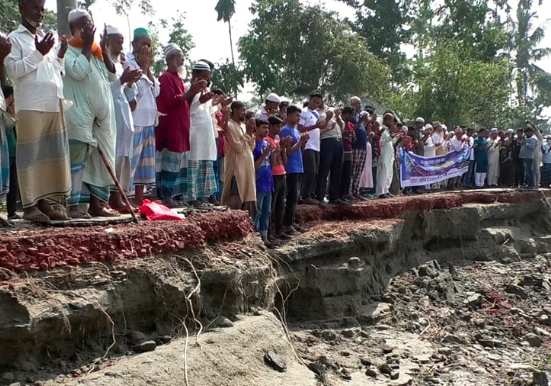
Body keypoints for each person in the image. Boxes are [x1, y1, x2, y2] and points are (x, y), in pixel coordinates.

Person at [4, 1, 72, 223]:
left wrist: (59, 54)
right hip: (31, 105)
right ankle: (30, 206)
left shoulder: (45, 38)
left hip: (53, 104)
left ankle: (44, 202)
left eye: (42, 9)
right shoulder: (15, 38)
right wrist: (39, 53)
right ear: (23, 8)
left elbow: (55, 71)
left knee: (48, 156)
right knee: (30, 156)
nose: (39, 13)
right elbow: (13, 70)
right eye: (35, 8)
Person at [64, 10, 120, 219]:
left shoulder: (96, 51)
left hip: (102, 120)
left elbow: (112, 75)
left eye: (90, 24)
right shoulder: (68, 50)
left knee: (101, 161)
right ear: (73, 28)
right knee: (80, 160)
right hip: (78, 115)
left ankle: (98, 204)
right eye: (82, 24)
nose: (88, 28)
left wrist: (102, 49)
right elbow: (78, 71)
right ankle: (76, 206)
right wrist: (87, 45)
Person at [155, 43, 205, 207]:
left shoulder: (178, 78)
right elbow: (171, 101)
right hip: (171, 129)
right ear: (171, 58)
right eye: (180, 55)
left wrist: (194, 93)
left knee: (176, 164)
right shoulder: (165, 78)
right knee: (168, 163)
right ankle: (166, 197)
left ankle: (172, 197)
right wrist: (190, 92)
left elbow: (185, 102)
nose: (183, 59)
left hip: (181, 127)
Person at [105, 25, 141, 213]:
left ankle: (122, 195)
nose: (120, 46)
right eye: (117, 42)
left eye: (122, 42)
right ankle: (113, 197)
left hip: (124, 114)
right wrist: (122, 80)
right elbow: (105, 91)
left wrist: (130, 81)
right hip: (111, 115)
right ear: (108, 42)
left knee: (125, 156)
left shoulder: (120, 64)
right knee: (115, 156)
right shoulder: (103, 62)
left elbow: (129, 96)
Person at [125, 28, 159, 207]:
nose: (146, 47)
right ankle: (126, 198)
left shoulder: (147, 65)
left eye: (149, 44)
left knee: (144, 166)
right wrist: (143, 67)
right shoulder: (128, 61)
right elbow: (135, 89)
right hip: (134, 118)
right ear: (134, 44)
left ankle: (139, 199)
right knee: (132, 162)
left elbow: (156, 91)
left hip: (148, 120)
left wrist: (147, 68)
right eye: (143, 43)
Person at [185, 61, 219, 207]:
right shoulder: (188, 87)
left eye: (208, 77)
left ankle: (203, 197)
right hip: (195, 132)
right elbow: (189, 110)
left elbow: (208, 111)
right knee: (194, 163)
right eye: (204, 76)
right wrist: (199, 100)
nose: (206, 80)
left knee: (205, 165)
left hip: (206, 134)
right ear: (196, 74)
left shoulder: (205, 89)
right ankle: (192, 197)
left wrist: (208, 100)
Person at [221, 101, 256, 214]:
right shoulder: (230, 126)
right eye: (242, 110)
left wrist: (250, 132)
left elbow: (250, 147)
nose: (244, 113)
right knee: (235, 198)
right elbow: (239, 148)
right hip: (237, 170)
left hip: (246, 170)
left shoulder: (242, 126)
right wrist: (248, 133)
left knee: (245, 199)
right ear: (235, 111)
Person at [280, 105, 309, 235]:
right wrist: (300, 142)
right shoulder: (286, 131)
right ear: (289, 115)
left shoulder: (296, 131)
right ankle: (287, 224)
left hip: (298, 166)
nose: (298, 118)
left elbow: (299, 150)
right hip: (291, 167)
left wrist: (303, 143)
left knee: (295, 196)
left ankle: (291, 222)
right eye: (296, 115)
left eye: (299, 116)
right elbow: (288, 151)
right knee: (291, 196)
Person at [265, 115, 290, 242]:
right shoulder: (267, 140)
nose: (279, 128)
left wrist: (284, 148)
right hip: (273, 175)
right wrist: (276, 151)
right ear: (271, 126)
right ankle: (268, 233)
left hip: (282, 173)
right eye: (277, 126)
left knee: (281, 204)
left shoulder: (277, 139)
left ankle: (279, 231)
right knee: (272, 205)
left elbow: (284, 161)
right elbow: (271, 162)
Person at [299, 91, 325, 203]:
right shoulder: (303, 112)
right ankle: (305, 195)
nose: (316, 104)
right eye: (314, 101)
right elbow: (300, 128)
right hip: (307, 144)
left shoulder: (316, 114)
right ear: (309, 100)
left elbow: (317, 129)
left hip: (316, 145)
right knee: (310, 170)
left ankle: (310, 193)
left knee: (315, 171)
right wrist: (315, 126)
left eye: (318, 103)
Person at [253, 119, 275, 247]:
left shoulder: (267, 143)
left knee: (267, 211)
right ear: (256, 129)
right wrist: (265, 154)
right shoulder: (253, 144)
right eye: (263, 127)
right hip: (258, 181)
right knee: (258, 210)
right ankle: (256, 238)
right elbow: (253, 166)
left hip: (268, 181)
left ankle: (264, 236)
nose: (266, 130)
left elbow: (270, 163)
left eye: (267, 127)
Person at [2, 85, 19, 219]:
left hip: (13, 152)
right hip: (6, 154)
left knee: (13, 184)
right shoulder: (4, 114)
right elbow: (8, 127)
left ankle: (12, 211)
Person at [350, 111, 369, 199]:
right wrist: (361, 120)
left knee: (359, 171)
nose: (359, 105)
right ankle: (349, 192)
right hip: (356, 147)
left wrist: (365, 122)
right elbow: (352, 128)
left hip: (363, 147)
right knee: (352, 170)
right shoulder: (352, 118)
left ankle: (355, 192)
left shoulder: (359, 118)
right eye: (357, 103)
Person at [376, 113, 395, 199]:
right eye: (391, 120)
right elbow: (381, 142)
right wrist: (390, 138)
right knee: (383, 173)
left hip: (389, 155)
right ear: (386, 119)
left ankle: (386, 190)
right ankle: (381, 192)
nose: (392, 122)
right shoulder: (381, 129)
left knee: (389, 173)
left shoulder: (387, 130)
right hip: (384, 155)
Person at [340, 106, 356, 201]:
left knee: (347, 173)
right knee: (339, 172)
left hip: (348, 150)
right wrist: (345, 133)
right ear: (346, 114)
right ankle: (337, 194)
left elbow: (354, 140)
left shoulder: (351, 124)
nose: (352, 117)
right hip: (340, 149)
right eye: (351, 114)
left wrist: (353, 136)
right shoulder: (339, 122)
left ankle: (344, 194)